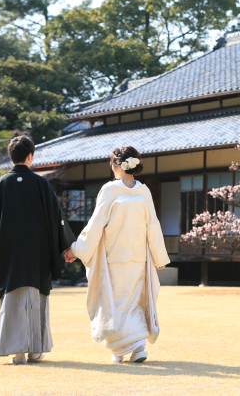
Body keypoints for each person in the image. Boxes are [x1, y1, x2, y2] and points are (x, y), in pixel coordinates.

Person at [0, 135, 76, 365]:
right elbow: (56, 219)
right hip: (38, 252)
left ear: (11, 157)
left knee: (12, 297)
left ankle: (16, 352)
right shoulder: (41, 184)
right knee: (36, 296)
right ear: (30, 156)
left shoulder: (0, 184)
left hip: (8, 253)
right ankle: (34, 351)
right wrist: (65, 246)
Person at [63, 146, 170, 364]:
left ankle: (128, 348)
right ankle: (132, 348)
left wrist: (77, 249)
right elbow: (153, 226)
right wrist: (159, 257)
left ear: (117, 165)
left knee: (115, 302)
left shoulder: (110, 190)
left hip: (115, 257)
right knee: (132, 302)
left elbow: (95, 224)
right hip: (138, 257)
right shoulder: (144, 191)